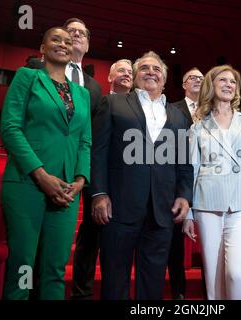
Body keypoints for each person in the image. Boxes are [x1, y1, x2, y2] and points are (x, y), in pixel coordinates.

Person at [91, 51, 193, 300]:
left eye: (157, 69)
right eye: (145, 68)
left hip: (162, 210)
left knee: (153, 282)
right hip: (119, 207)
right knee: (115, 281)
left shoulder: (178, 115)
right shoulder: (113, 103)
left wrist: (184, 195)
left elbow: (184, 161)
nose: (151, 72)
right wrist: (99, 193)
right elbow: (98, 151)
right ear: (136, 77)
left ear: (165, 79)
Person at [0, 27, 91, 299]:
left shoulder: (82, 93)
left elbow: (84, 142)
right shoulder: (27, 77)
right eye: (55, 39)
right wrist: (41, 175)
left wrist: (80, 181)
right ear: (42, 48)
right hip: (27, 184)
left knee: (55, 269)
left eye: (67, 41)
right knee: (23, 267)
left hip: (66, 191)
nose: (63, 44)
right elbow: (11, 128)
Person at [183, 65, 241, 300]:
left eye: (233, 82)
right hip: (207, 203)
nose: (229, 84)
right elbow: (192, 171)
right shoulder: (197, 127)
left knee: (238, 274)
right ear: (211, 85)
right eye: (223, 80)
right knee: (213, 276)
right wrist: (188, 213)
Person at [60, 18, 102, 300]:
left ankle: (82, 293)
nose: (76, 35)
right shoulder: (41, 70)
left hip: (86, 165)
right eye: (71, 31)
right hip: (53, 162)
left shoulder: (95, 87)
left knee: (91, 232)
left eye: (82, 33)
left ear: (86, 43)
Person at [167, 67, 204, 300]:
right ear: (183, 84)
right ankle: (178, 291)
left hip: (210, 182)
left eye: (202, 78)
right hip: (180, 182)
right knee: (176, 245)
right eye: (193, 78)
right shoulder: (172, 109)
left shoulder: (215, 110)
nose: (198, 81)